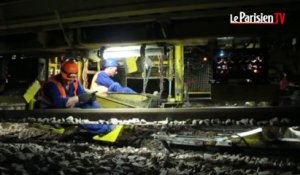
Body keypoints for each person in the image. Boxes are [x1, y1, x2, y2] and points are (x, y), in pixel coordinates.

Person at [40, 59, 116, 136]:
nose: (69, 82)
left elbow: (81, 93)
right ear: (61, 74)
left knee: (92, 105)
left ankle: (107, 121)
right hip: (51, 112)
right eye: (67, 79)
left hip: (66, 108)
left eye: (71, 79)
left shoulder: (75, 81)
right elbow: (59, 103)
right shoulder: (51, 84)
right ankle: (105, 129)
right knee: (78, 113)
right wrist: (79, 98)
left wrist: (89, 97)